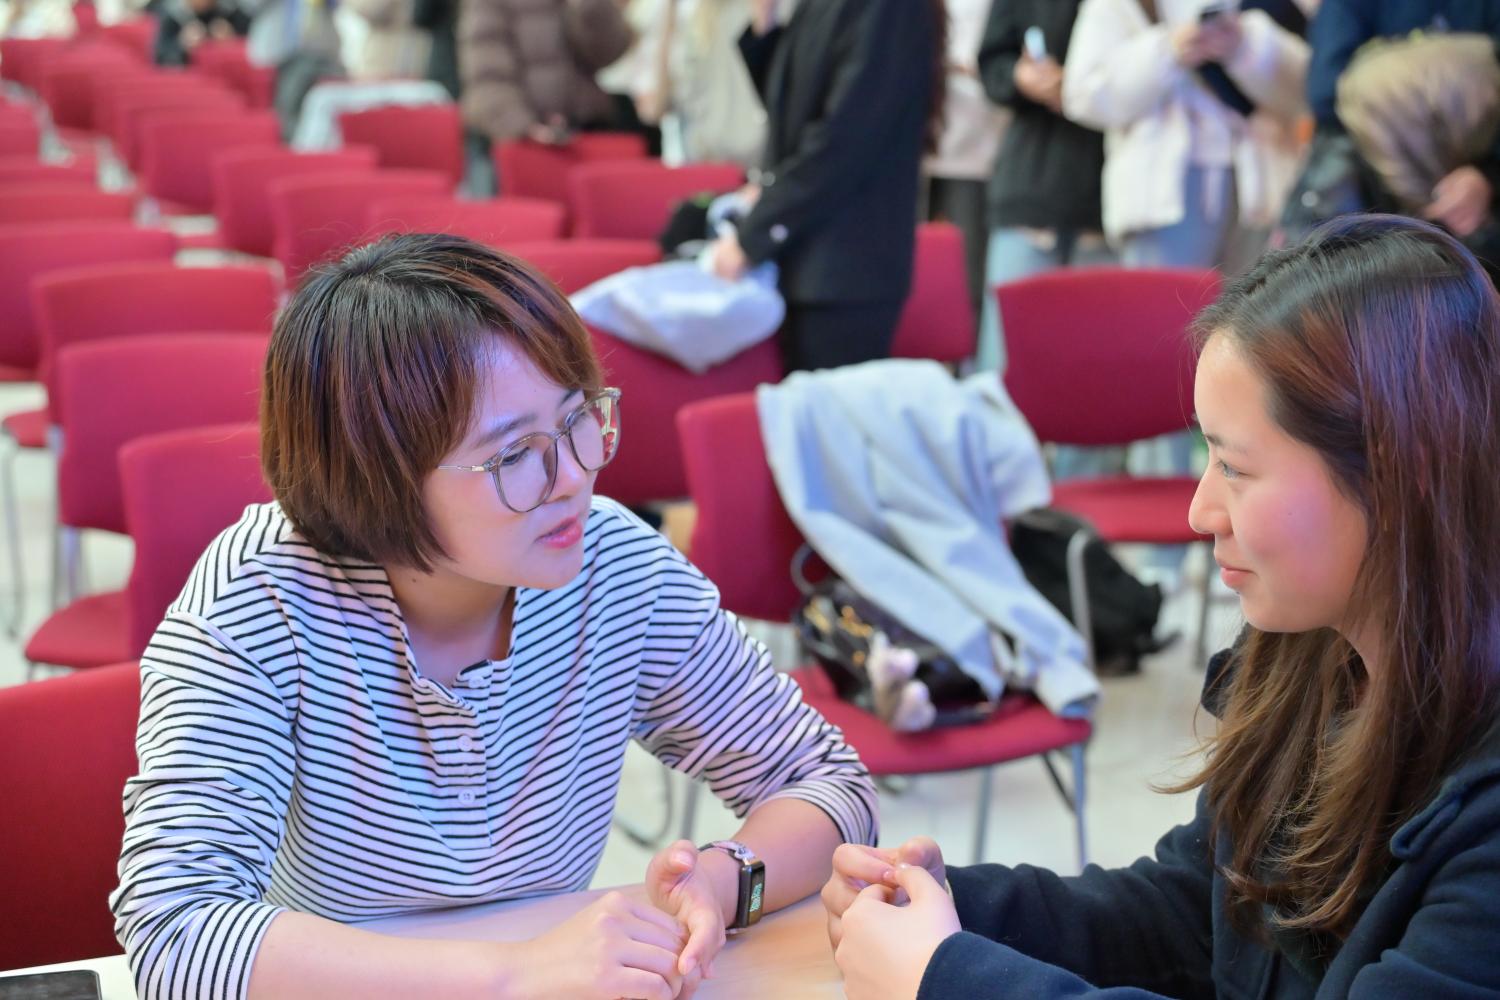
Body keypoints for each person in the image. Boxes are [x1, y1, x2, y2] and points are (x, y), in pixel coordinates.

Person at [111, 234, 878, 1000]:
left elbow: (826, 782)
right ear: (373, 481)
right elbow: (175, 931)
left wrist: (720, 881)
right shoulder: (259, 600)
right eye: (513, 456)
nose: (573, 477)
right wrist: (515, 974)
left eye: (578, 418)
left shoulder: (613, 563)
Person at [821, 214, 1500, 998]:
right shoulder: (1313, 658)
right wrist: (956, 911)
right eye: (1206, 455)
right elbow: (1196, 916)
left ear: (1395, 476)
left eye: (1235, 468)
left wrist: (949, 978)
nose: (1200, 511)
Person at [709, 0, 944, 372]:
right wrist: (764, 23)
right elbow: (795, 107)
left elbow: (843, 142)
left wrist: (753, 236)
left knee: (831, 405)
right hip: (811, 258)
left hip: (846, 267)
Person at [1062, 0, 1311, 274]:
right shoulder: (1118, 6)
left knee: (1255, 296)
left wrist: (1244, 46)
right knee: (1165, 299)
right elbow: (1082, 96)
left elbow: (1308, 89)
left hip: (1259, 180)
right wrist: (1167, 51)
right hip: (1163, 191)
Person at [973, 0, 1109, 374]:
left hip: (1109, 193)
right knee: (1006, 358)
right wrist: (1021, 77)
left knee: (1092, 364)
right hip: (1033, 180)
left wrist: (1086, 90)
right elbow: (993, 62)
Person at [153, 0, 250, 66]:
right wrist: (183, 45)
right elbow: (160, 57)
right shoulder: (173, 16)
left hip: (223, 75)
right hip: (190, 78)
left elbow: (251, 43)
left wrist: (232, 38)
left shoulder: (229, 12)